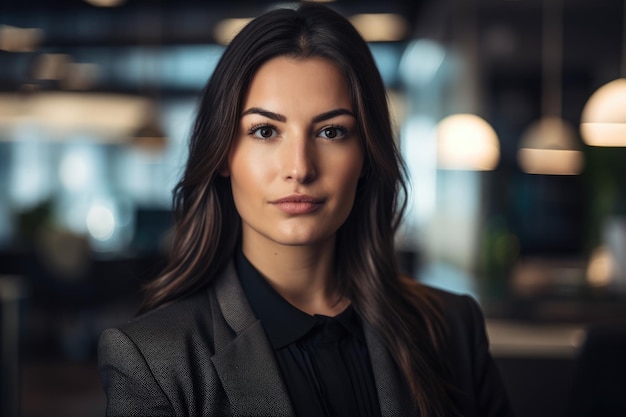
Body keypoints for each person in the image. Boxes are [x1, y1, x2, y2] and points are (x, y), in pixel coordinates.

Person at [98, 2, 514, 417]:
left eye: (331, 131)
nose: (300, 167)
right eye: (265, 131)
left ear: (366, 154)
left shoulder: (451, 328)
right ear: (223, 154)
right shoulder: (155, 359)